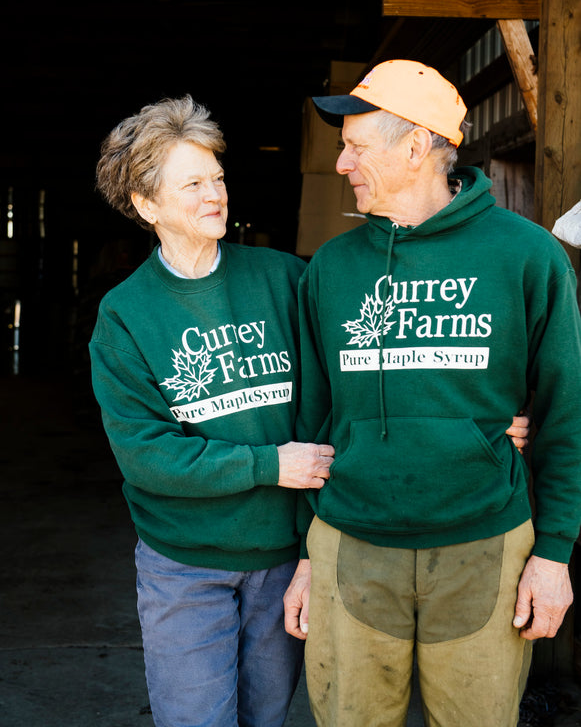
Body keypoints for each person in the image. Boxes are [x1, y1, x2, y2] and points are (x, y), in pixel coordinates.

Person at [283, 59, 581, 727]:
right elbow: (313, 421)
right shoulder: (331, 268)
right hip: (350, 545)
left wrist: (554, 553)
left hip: (484, 542)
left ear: (415, 147)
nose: (342, 165)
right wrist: (306, 556)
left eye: (355, 147)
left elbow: (565, 413)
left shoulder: (527, 257)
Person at [88, 94, 336, 727]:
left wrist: (476, 418)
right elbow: (149, 457)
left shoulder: (284, 278)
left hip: (282, 557)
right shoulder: (125, 315)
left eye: (217, 178)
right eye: (192, 182)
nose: (214, 194)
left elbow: (362, 367)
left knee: (266, 716)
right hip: (185, 565)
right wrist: (268, 464)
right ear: (146, 205)